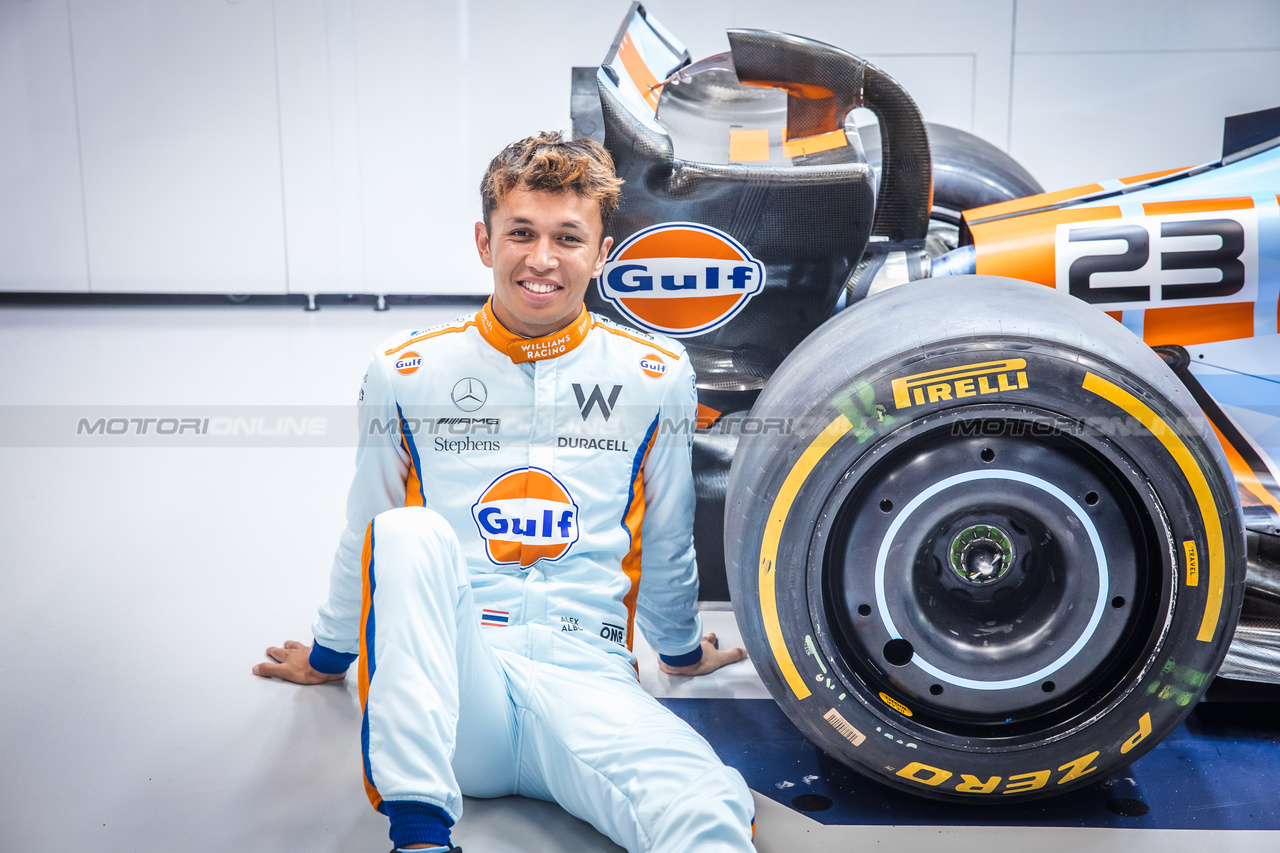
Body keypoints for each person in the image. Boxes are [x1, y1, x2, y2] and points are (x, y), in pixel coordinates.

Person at [254, 132, 757, 852]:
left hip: (590, 679)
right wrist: (330, 655)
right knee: (408, 531)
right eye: (521, 232)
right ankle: (422, 837)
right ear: (485, 242)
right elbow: (366, 532)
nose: (542, 259)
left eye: (567, 237)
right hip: (456, 691)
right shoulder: (405, 370)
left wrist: (677, 654)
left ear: (603, 254)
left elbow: (668, 536)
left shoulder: (655, 373)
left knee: (710, 810)